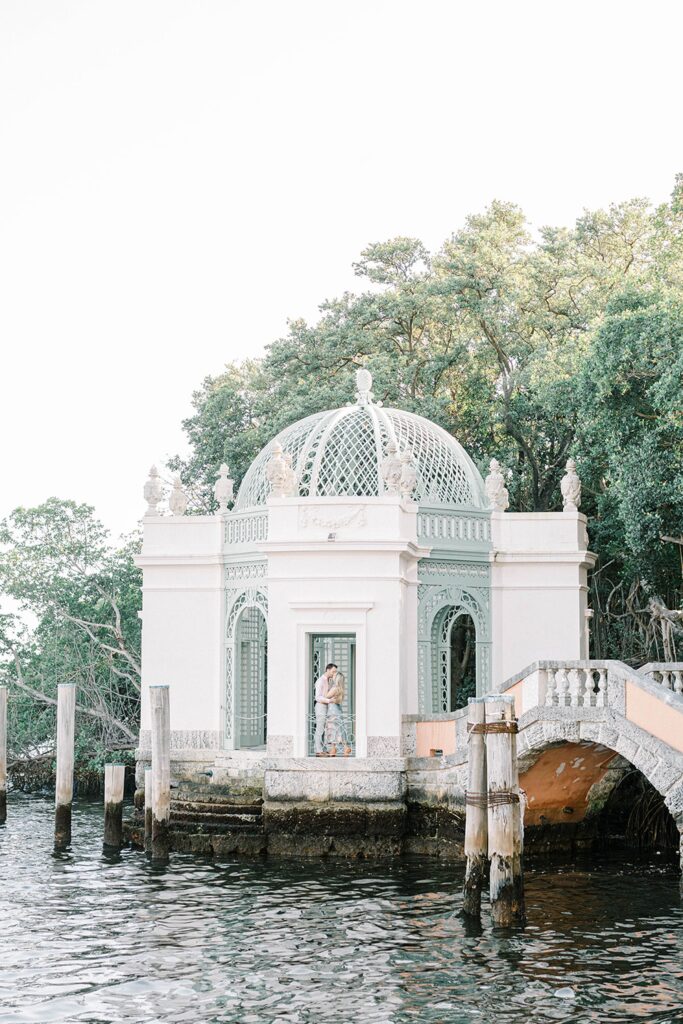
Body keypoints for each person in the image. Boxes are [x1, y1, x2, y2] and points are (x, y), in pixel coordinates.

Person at [325, 670, 352, 757]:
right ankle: (334, 748)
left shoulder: (334, 688)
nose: (332, 675)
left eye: (334, 675)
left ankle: (344, 747)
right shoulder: (340, 688)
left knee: (333, 729)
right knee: (338, 728)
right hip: (337, 709)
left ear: (336, 678)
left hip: (333, 710)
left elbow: (326, 696)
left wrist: (326, 686)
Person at [314, 663, 337, 756]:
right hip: (320, 706)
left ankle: (323, 749)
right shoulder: (320, 681)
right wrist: (329, 700)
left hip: (326, 706)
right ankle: (318, 750)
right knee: (319, 729)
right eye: (333, 671)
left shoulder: (329, 681)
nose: (334, 673)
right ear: (328, 670)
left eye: (335, 672)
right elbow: (317, 697)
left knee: (325, 729)